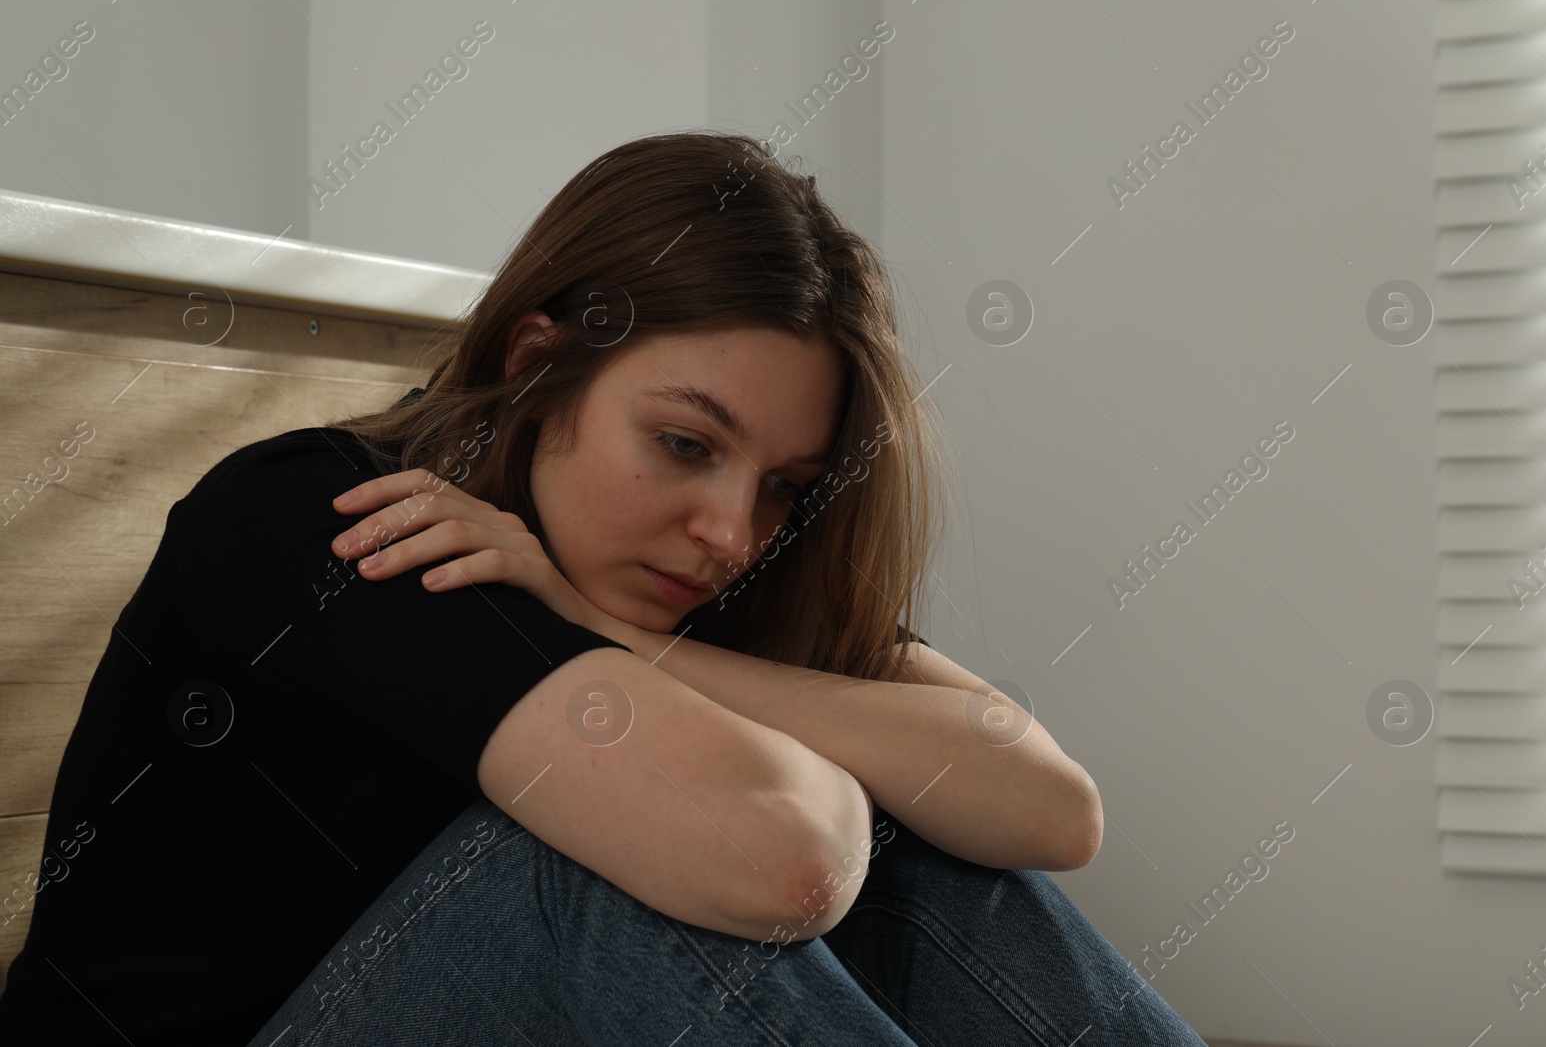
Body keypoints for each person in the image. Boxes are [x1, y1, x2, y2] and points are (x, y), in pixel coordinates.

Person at [0, 130, 1208, 1045]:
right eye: (685, 443)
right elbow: (787, 853)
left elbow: (1052, 807)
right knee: (613, 858)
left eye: (785, 483)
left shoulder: (667, 587)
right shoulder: (341, 521)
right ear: (539, 369)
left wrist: (621, 638)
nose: (733, 531)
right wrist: (806, 747)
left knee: (931, 829)